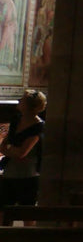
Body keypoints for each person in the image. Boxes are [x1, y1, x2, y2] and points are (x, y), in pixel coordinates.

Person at [0, 89, 46, 223]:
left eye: (22, 99)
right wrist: (11, 150)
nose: (19, 101)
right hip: (10, 173)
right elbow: (3, 145)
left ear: (29, 105)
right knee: (3, 213)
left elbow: (22, 153)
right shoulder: (16, 120)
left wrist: (9, 149)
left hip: (27, 176)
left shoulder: (38, 126)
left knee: (27, 214)